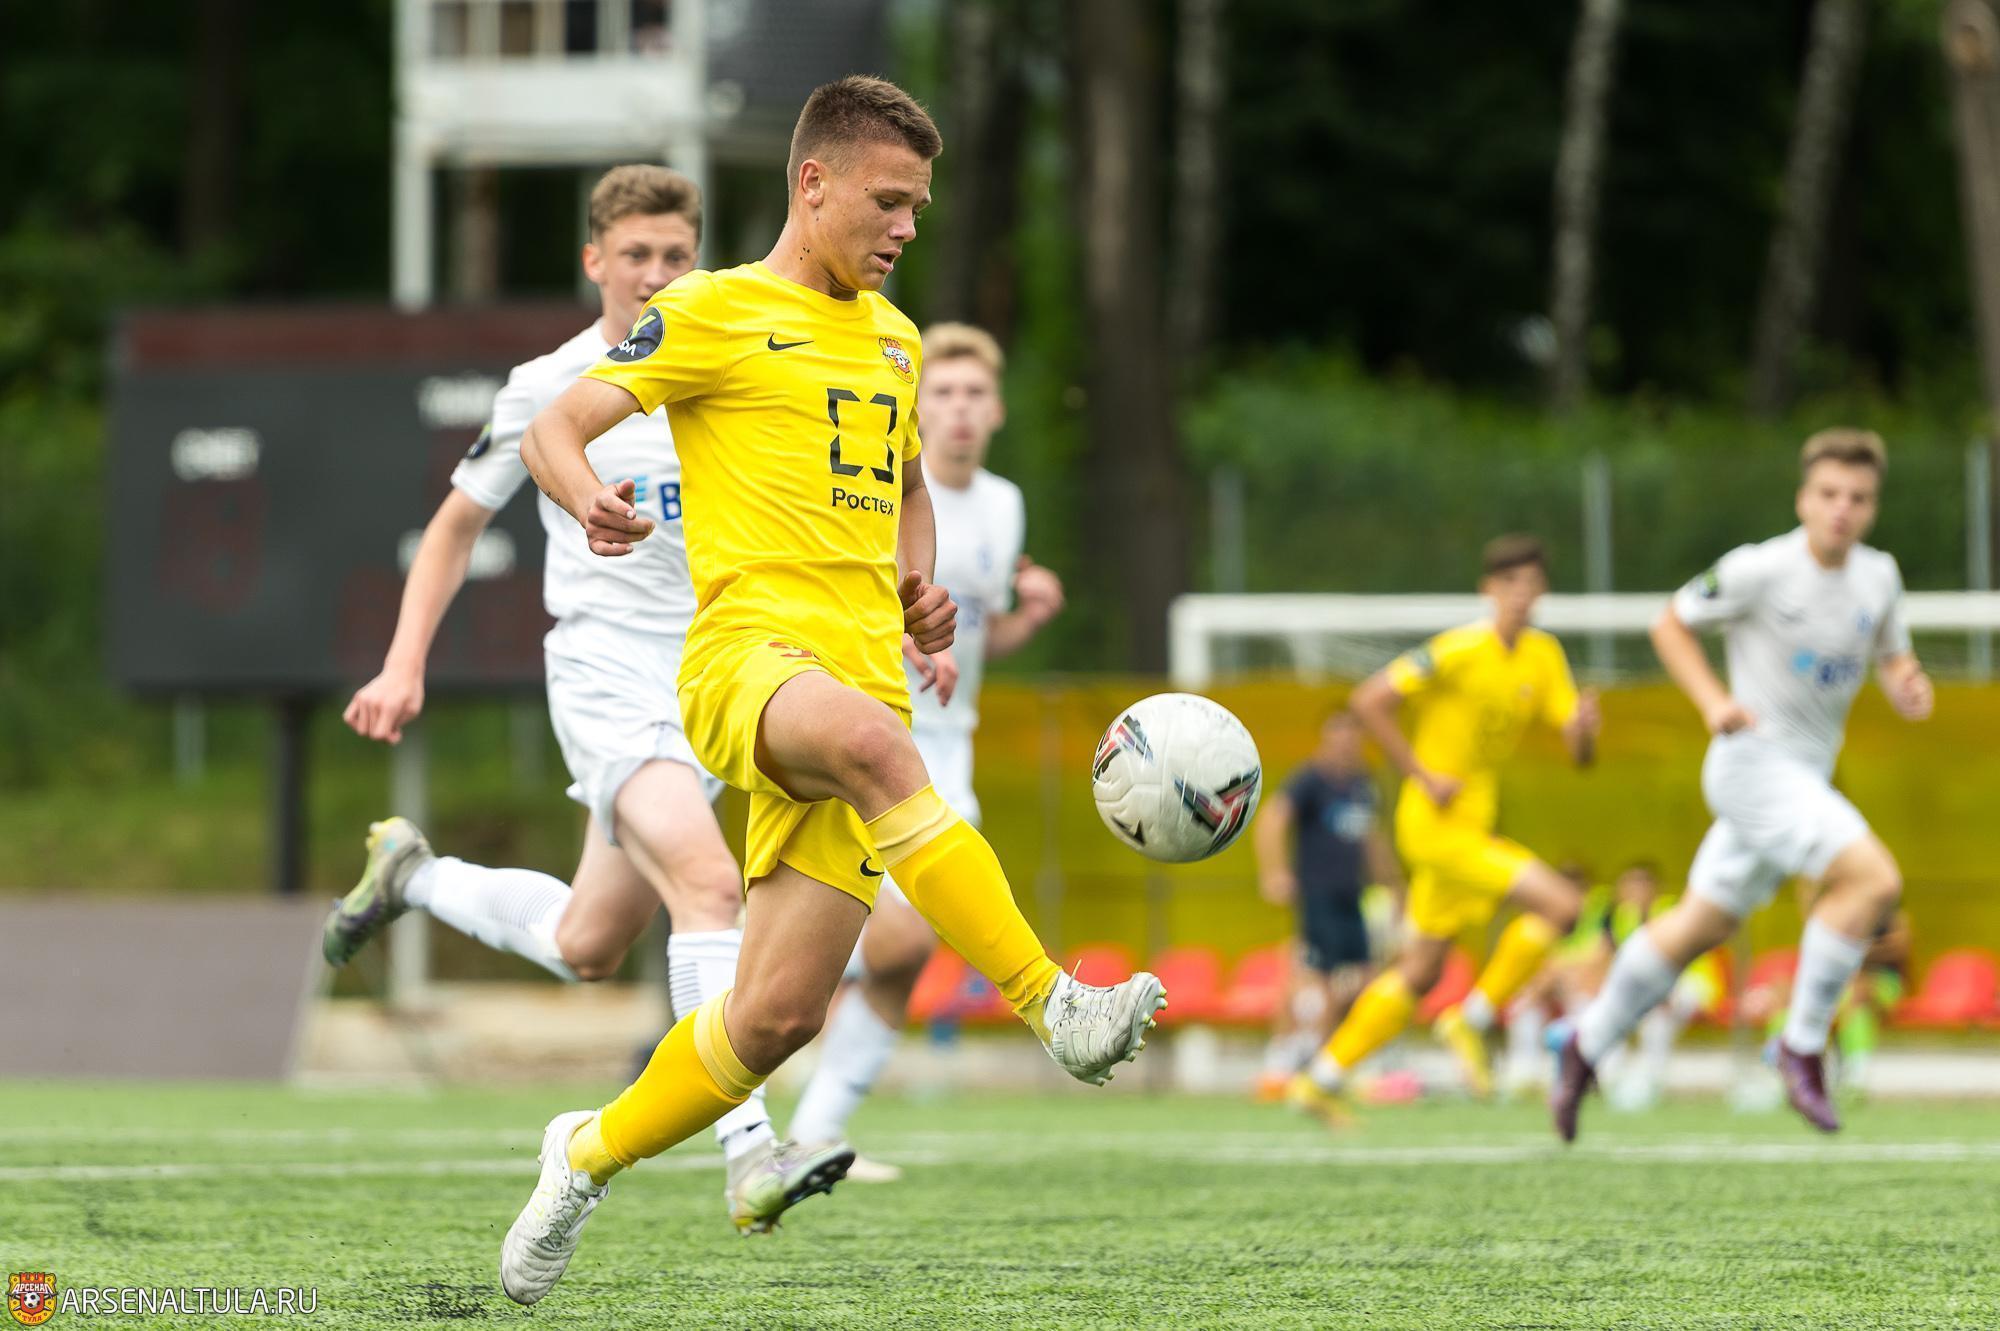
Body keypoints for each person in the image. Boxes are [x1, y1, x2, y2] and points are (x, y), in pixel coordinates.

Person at [496, 76, 1165, 1306]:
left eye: (917, 207)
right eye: (887, 201)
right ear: (812, 184)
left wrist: (918, 587)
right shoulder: (711, 309)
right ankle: (1053, 1002)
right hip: (745, 661)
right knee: (877, 750)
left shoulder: (896, 339)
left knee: (772, 1019)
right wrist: (584, 494)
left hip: (860, 684)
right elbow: (556, 425)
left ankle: (580, 1155)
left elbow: (904, 489)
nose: (905, 227)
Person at [322, 165, 807, 1227]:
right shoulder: (549, 384)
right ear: (595, 261)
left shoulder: (724, 368)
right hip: (603, 672)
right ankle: (748, 1150)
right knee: (709, 883)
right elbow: (454, 528)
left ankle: (416, 875)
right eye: (635, 254)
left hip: (711, 680)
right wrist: (402, 663)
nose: (656, 273)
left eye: (675, 255)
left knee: (589, 942)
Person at [1552, 429, 1932, 1141]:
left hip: (1805, 778)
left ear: (1873, 507)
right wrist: (1712, 702)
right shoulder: (1760, 569)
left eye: (1858, 497)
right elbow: (1670, 623)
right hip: (1751, 765)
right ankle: (1801, 1045)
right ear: (1803, 498)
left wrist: (1907, 682)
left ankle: (1583, 1044)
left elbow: (1892, 655)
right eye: (1829, 494)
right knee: (1873, 879)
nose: (1842, 508)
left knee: (1700, 925)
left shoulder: (1879, 576)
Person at [784, 321, 1066, 1178]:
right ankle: (767, 969)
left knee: (906, 954)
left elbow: (972, 639)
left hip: (953, 750)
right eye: (942, 392)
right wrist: (899, 639)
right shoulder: (879, 492)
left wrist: (1024, 618)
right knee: (899, 939)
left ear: (998, 409)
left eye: (975, 393)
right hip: (875, 740)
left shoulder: (1004, 505)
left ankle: (813, 1132)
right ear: (914, 406)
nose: (959, 408)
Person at [1289, 534, 1599, 1119]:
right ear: (1488, 590)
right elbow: (1369, 698)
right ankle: (1472, 1020)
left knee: (1422, 970)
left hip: (1473, 824)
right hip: (1434, 826)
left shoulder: (1543, 656)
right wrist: (1423, 774)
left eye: (1532, 583)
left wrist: (1583, 729)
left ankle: (1320, 1078)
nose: (1522, 594)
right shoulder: (1458, 650)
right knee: (1564, 906)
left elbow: (1579, 755)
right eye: (1510, 582)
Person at [1252, 708, 1402, 1098]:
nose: (1346, 744)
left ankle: (1332, 1058)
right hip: (1318, 894)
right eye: (1339, 736)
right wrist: (1274, 872)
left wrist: (1392, 883)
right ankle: (1291, 1060)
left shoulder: (1363, 784)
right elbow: (1272, 819)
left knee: (1364, 978)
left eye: (1353, 736)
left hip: (1354, 896)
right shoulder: (1310, 780)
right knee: (1316, 977)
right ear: (1325, 739)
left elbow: (1372, 838)